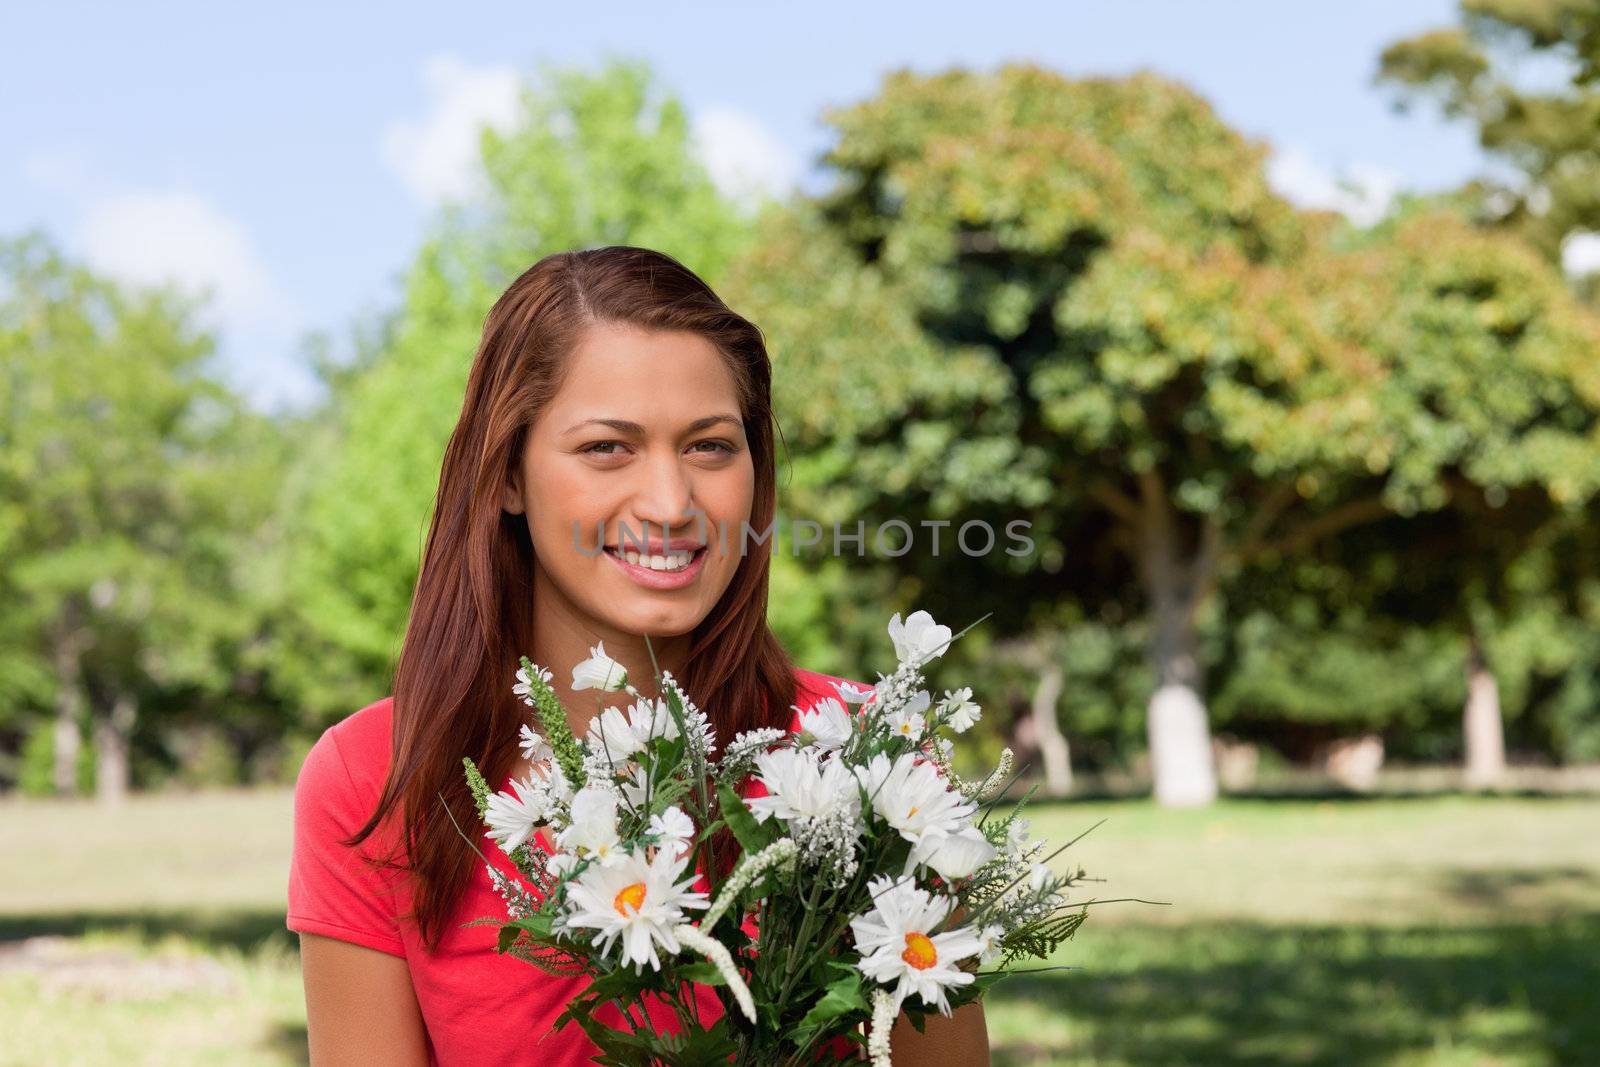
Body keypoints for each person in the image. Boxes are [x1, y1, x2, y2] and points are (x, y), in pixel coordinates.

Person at [285, 245, 990, 1065]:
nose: (670, 503)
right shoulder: (374, 777)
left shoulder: (876, 760)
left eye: (710, 447)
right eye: (607, 448)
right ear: (508, 474)